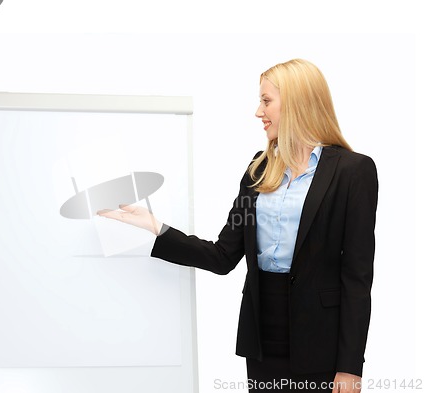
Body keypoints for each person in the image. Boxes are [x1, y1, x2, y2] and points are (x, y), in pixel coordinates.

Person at [98, 59, 378, 393]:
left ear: (298, 102)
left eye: (266, 100)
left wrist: (349, 367)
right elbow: (223, 255)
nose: (258, 112)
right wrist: (157, 228)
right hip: (263, 335)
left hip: (322, 340)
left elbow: (357, 277)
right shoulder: (258, 172)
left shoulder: (353, 171)